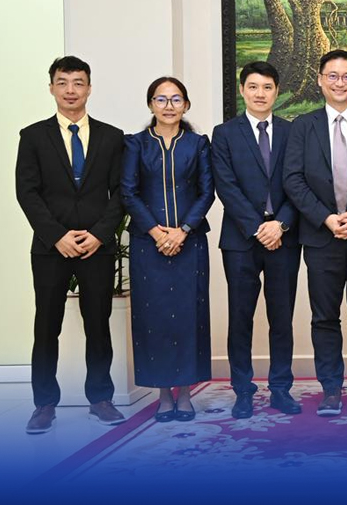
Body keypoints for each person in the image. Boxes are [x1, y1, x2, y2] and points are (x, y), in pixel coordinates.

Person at [16, 56, 128, 434]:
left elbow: (121, 193)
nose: (70, 90)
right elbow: (27, 193)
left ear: (89, 88)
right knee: (47, 326)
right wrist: (57, 236)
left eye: (78, 82)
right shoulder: (33, 136)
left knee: (98, 325)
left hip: (97, 246)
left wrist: (99, 234)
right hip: (52, 248)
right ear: (51, 87)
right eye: (62, 82)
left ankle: (101, 399)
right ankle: (44, 404)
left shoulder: (112, 137)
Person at [284, 49, 347, 417]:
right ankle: (330, 388)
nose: (339, 83)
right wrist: (326, 218)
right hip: (320, 237)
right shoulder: (303, 125)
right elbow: (293, 179)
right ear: (320, 80)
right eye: (332, 76)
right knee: (324, 317)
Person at [211, 61, 302, 419]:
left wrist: (280, 224)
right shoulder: (224, 133)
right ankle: (243, 391)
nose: (260, 94)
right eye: (253, 86)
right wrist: (257, 227)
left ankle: (280, 389)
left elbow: (300, 183)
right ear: (242, 90)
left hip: (284, 238)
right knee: (240, 318)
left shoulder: (293, 131)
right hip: (240, 240)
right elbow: (226, 186)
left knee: (282, 318)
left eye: (267, 87)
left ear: (277, 91)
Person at [123, 77, 215, 422]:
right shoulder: (135, 144)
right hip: (148, 245)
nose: (169, 106)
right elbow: (128, 192)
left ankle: (186, 392)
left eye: (176, 99)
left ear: (186, 105)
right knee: (155, 318)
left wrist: (183, 231)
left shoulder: (198, 144)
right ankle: (163, 394)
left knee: (189, 316)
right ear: (151, 105)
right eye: (161, 99)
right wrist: (156, 232)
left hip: (190, 242)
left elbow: (207, 192)